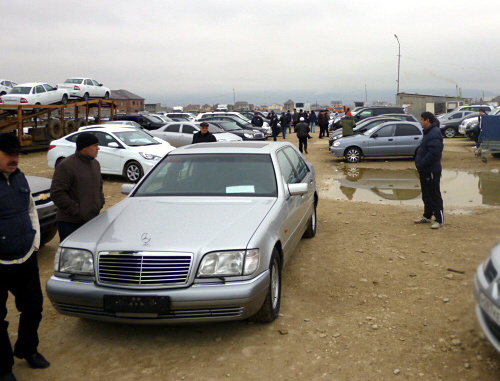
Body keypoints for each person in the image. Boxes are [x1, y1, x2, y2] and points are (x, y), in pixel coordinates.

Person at [0, 133, 50, 381]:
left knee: (33, 307)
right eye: (9, 154)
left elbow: (30, 209)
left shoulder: (19, 178)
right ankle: (3, 368)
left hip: (25, 257)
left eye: (17, 154)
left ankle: (27, 349)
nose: (15, 159)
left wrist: (35, 241)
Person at [50, 132, 105, 242]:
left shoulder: (95, 164)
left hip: (91, 221)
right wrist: (77, 210)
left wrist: (99, 202)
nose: (98, 148)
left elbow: (99, 186)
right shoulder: (66, 165)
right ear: (84, 148)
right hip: (70, 223)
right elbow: (57, 193)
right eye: (94, 145)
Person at [414, 111, 444, 229]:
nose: (420, 122)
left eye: (422, 119)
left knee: (434, 194)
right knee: (426, 194)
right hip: (424, 170)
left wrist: (422, 163)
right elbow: (423, 149)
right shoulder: (428, 132)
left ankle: (439, 219)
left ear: (427, 120)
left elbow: (434, 153)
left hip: (431, 170)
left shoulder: (434, 133)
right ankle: (427, 216)